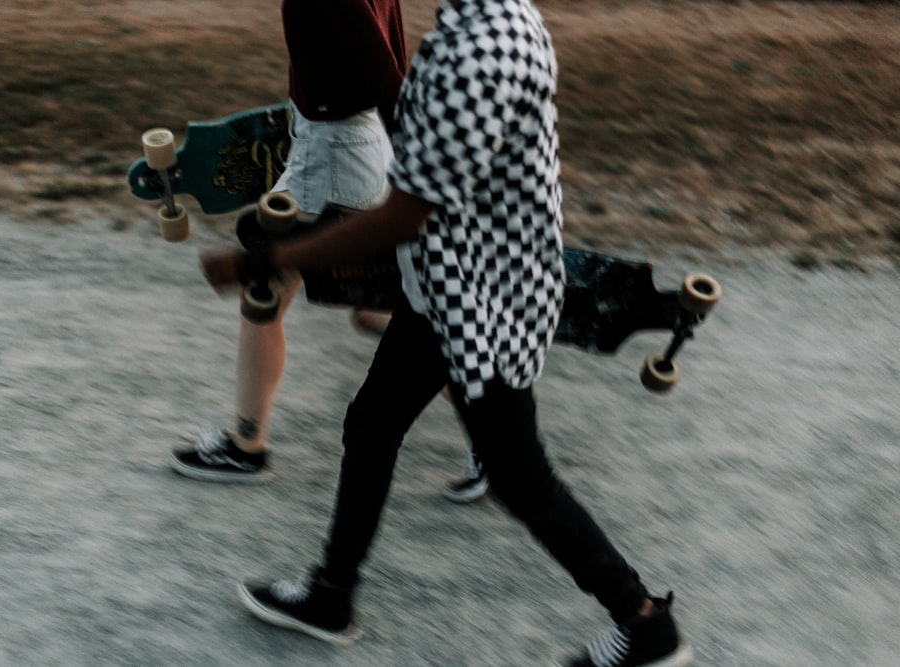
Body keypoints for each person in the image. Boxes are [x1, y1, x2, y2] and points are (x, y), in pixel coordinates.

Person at [202, 0, 693, 664]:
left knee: (521, 478)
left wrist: (263, 260)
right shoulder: (501, 18)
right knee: (373, 423)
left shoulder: (474, 53)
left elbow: (406, 213)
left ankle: (642, 622)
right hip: (450, 282)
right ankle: (331, 593)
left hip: (479, 299)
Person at [169, 0, 409, 483]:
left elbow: (386, 76)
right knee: (374, 310)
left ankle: (246, 447)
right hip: (350, 146)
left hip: (333, 157)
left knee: (264, 291)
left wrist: (425, 174)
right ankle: (492, 440)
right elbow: (391, 56)